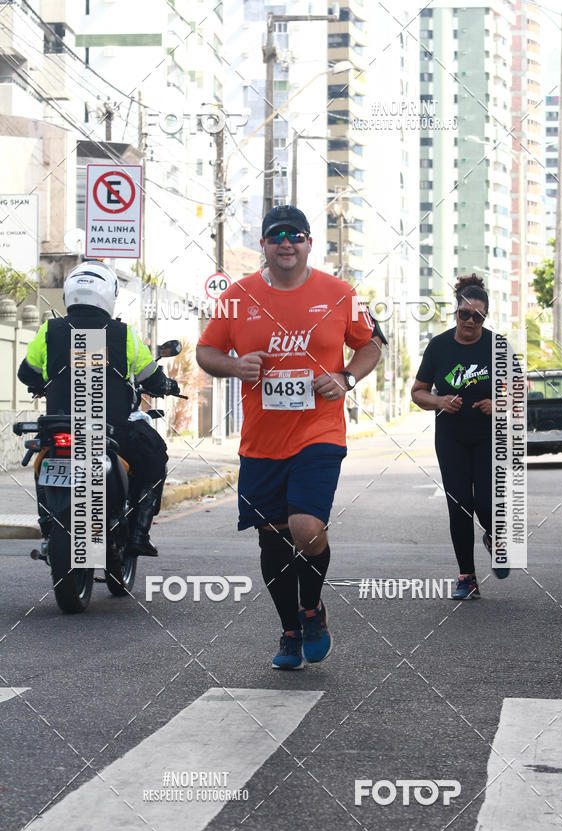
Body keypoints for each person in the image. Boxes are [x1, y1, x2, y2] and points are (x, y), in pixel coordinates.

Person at [196, 205, 383, 669]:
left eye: (295, 236)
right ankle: (290, 630)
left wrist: (345, 378)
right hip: (262, 439)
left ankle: (313, 608)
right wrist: (235, 365)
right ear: (263, 244)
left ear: (308, 243)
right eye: (276, 236)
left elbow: (371, 344)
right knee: (272, 538)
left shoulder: (339, 293)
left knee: (305, 527)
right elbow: (205, 351)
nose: (286, 243)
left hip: (320, 430)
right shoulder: (238, 297)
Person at [17, 260, 180, 557]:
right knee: (155, 455)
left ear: (69, 294)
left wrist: (46, 381)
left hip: (60, 427)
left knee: (43, 458)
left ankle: (48, 523)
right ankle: (139, 534)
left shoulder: (48, 330)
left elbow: (26, 373)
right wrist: (167, 386)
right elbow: (152, 378)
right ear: (109, 295)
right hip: (114, 430)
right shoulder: (124, 335)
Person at [410, 273, 510, 601]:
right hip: (451, 438)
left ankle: (495, 536)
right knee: (459, 505)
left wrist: (498, 403)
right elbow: (418, 392)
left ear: (485, 316)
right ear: (456, 313)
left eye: (477, 316)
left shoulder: (497, 346)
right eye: (464, 314)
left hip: (487, 438)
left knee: (484, 500)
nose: (470, 321)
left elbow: (522, 389)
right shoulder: (439, 346)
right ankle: (467, 577)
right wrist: (438, 401)